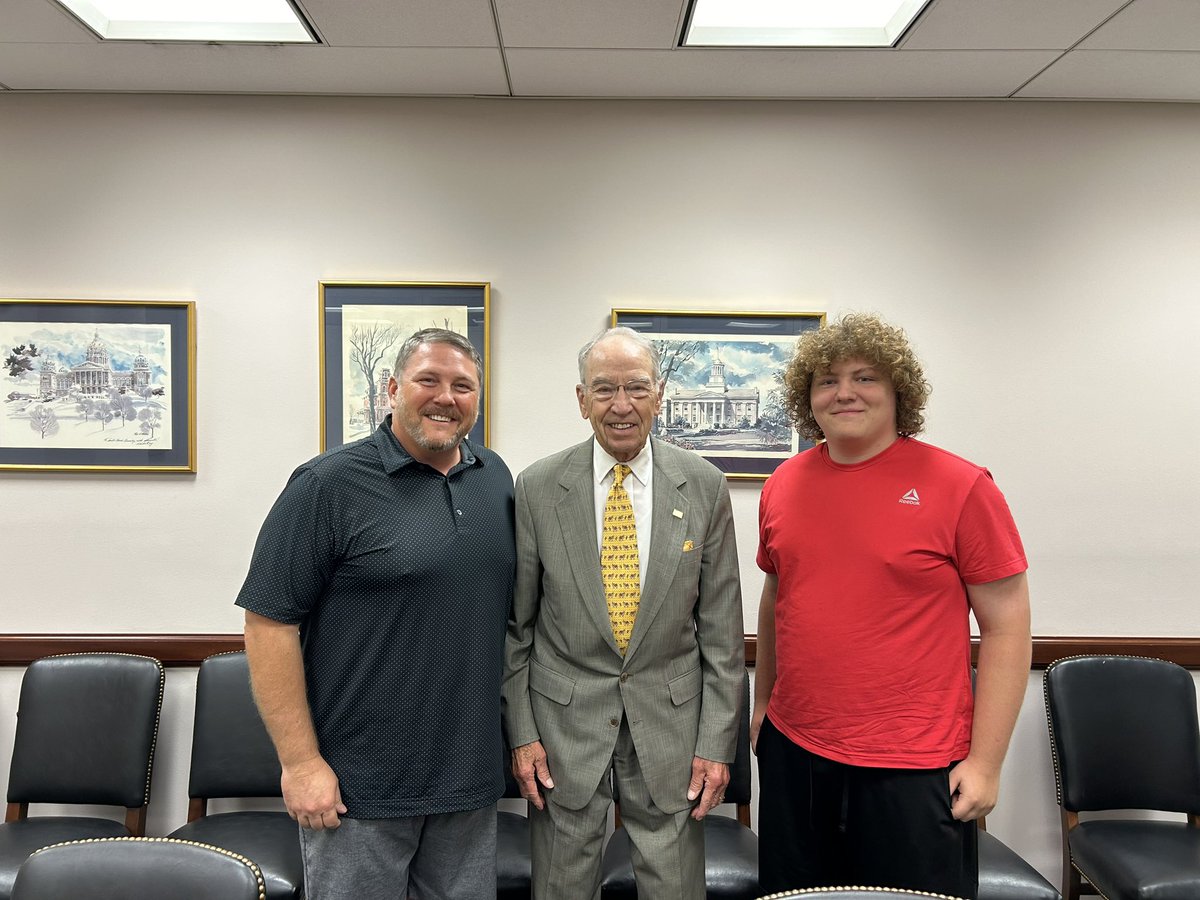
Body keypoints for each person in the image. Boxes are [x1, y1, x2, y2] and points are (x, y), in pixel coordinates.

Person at [753, 313, 1032, 899]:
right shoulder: (783, 482)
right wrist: (762, 705)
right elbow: (778, 595)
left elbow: (1007, 625)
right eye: (827, 380)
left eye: (865, 378)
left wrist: (986, 763)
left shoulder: (962, 485)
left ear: (899, 391)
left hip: (917, 765)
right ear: (808, 399)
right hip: (796, 753)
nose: (844, 392)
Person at [236, 328, 516, 900]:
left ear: (477, 400)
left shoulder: (495, 480)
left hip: (469, 782)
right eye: (428, 380)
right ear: (392, 389)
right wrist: (301, 764)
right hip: (358, 788)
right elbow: (269, 625)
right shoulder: (326, 485)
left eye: (463, 386)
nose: (446, 397)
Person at [502, 326, 744, 900]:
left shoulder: (705, 486)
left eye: (636, 388)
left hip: (673, 730)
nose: (621, 405)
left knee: (675, 889)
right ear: (581, 400)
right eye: (604, 389)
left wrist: (715, 742)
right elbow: (518, 629)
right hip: (562, 731)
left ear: (659, 394)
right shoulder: (537, 488)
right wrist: (523, 733)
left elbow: (722, 636)